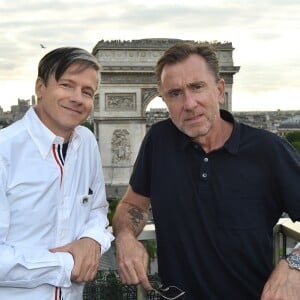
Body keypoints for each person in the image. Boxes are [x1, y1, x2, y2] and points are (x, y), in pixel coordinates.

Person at [112, 42, 300, 299]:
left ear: (220, 90)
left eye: (197, 87)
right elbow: (133, 204)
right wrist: (124, 237)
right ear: (164, 100)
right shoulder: (159, 140)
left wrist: (294, 264)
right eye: (175, 93)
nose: (189, 103)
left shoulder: (269, 151)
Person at [0, 47, 114, 300]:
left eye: (87, 92)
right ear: (40, 87)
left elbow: (97, 209)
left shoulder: (87, 142)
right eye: (66, 85)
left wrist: (91, 240)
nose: (77, 98)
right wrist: (66, 264)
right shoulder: (4, 151)